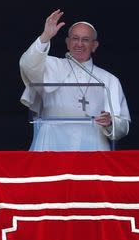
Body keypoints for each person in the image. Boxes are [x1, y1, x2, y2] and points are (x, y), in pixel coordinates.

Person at [20, 9, 131, 151]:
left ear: (94, 46)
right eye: (75, 38)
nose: (79, 44)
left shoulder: (109, 80)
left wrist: (110, 122)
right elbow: (27, 65)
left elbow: (123, 126)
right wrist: (45, 37)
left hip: (92, 145)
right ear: (67, 42)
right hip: (51, 143)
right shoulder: (51, 65)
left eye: (85, 40)